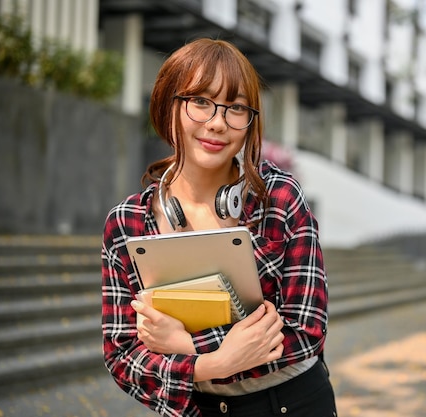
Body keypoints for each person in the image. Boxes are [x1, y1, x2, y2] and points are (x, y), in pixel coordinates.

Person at [101, 38, 336, 417]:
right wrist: (214, 363)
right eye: (200, 102)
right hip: (201, 408)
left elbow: (305, 328)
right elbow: (123, 356)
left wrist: (185, 347)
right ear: (168, 105)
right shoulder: (127, 224)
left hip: (294, 403)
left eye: (236, 108)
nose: (217, 123)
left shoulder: (278, 196)